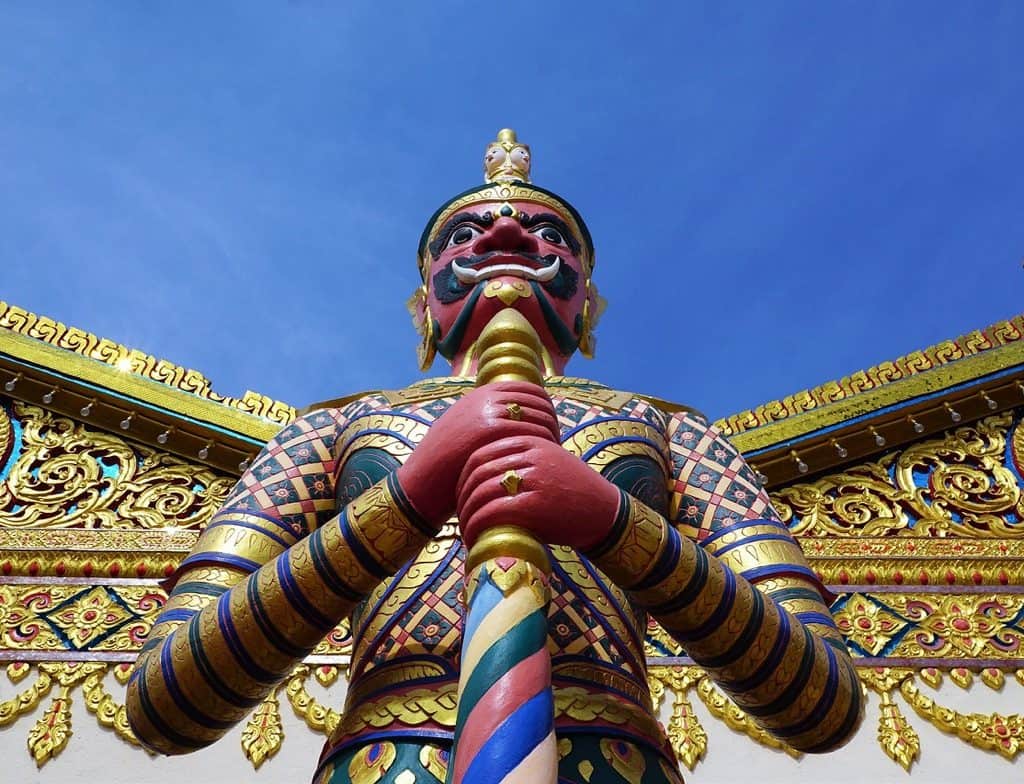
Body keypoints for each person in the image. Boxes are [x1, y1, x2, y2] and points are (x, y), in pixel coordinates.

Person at [126, 130, 862, 784]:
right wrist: (408, 496)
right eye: (464, 233)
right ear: (424, 305)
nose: (507, 228)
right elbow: (166, 695)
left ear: (589, 305)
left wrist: (611, 520)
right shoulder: (338, 426)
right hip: (385, 757)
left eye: (550, 233)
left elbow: (822, 700)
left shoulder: (669, 431)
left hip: (615, 756)